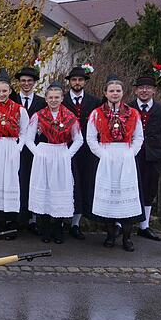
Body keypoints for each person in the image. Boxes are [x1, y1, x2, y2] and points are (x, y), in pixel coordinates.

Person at [86, 76, 144, 252]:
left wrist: (131, 152)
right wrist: (102, 154)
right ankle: (110, 235)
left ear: (122, 93)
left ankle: (127, 238)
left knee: (125, 199)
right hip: (106, 156)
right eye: (111, 90)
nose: (114, 93)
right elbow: (90, 137)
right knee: (110, 198)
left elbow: (139, 137)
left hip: (125, 157)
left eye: (118, 91)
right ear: (105, 93)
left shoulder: (133, 113)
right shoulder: (97, 113)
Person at [24, 82, 83, 244]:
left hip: (61, 153)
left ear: (62, 98)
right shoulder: (38, 115)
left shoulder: (70, 117)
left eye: (57, 97)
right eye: (50, 97)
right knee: (45, 190)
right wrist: (38, 153)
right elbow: (28, 139)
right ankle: (45, 229)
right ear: (46, 99)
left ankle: (58, 228)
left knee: (59, 190)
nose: (54, 100)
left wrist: (67, 155)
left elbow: (79, 139)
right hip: (44, 153)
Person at [0, 68, 29, 235]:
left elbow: (25, 132)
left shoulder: (19, 110)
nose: (1, 94)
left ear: (10, 91)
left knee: (10, 181)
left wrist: (18, 148)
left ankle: (11, 222)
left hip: (11, 146)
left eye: (4, 91)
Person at [129, 71, 161, 241]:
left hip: (153, 155)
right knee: (128, 187)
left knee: (149, 189)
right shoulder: (128, 108)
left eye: (148, 88)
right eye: (141, 88)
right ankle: (120, 224)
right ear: (135, 90)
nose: (144, 91)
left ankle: (144, 226)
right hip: (132, 155)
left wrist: (152, 144)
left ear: (154, 90)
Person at [62, 65, 100, 239]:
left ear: (85, 82)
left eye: (80, 80)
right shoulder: (61, 101)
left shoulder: (94, 101)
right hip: (66, 147)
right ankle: (61, 219)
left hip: (87, 150)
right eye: (74, 80)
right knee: (66, 183)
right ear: (69, 82)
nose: (77, 83)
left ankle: (76, 224)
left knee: (83, 183)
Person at [13, 65, 47, 235]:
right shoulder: (12, 100)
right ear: (19, 82)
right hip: (15, 147)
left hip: (34, 149)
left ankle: (33, 218)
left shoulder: (42, 102)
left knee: (33, 181)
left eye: (29, 81)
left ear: (34, 83)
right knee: (16, 180)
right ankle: (17, 216)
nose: (26, 84)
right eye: (23, 81)